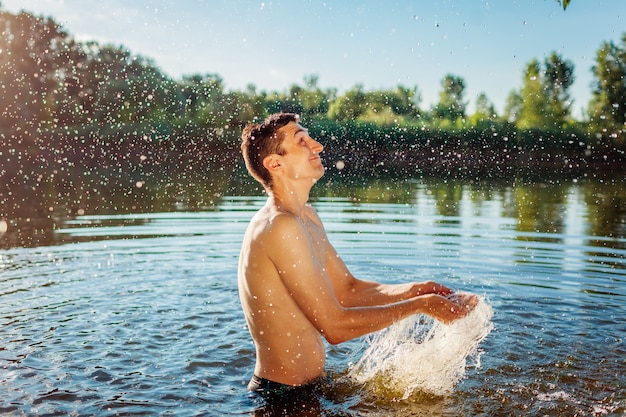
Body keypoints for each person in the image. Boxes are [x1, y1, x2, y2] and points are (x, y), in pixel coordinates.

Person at [238, 112, 477, 399]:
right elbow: (334, 327)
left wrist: (417, 290)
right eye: (302, 141)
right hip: (281, 397)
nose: (317, 146)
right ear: (275, 163)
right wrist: (420, 306)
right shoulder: (279, 226)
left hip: (312, 389)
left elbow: (348, 290)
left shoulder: (306, 218)